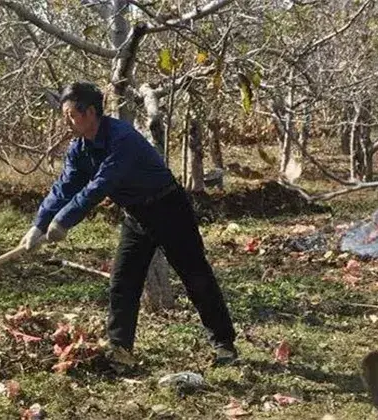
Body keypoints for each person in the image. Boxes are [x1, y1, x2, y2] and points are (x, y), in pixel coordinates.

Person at [19, 81, 238, 367]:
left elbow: (101, 184)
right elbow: (65, 186)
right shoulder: (80, 148)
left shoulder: (122, 138)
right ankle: (120, 350)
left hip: (169, 208)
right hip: (137, 215)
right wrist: (40, 223)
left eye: (72, 115)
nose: (68, 122)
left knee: (195, 276)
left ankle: (224, 345)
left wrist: (64, 221)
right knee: (123, 281)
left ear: (90, 112)